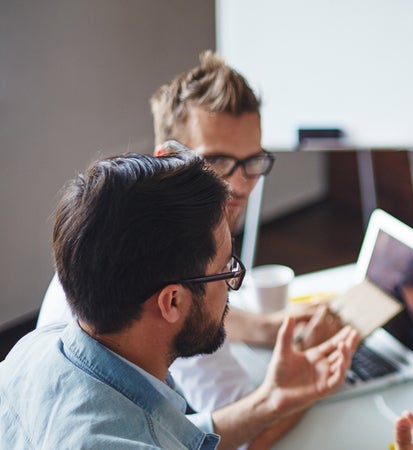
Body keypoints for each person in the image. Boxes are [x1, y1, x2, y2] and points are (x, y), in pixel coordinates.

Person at [35, 51, 340, 445]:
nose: (240, 184)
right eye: (216, 161)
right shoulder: (176, 273)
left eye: (252, 161)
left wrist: (267, 327)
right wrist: (305, 385)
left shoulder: (104, 230)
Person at [0, 153, 358, 449]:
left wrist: (274, 398)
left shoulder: (36, 348)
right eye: (225, 269)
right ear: (171, 302)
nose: (233, 285)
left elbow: (171, 435)